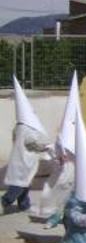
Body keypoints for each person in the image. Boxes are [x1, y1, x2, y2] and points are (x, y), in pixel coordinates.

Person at [3, 77, 51, 213]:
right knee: (19, 184)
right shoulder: (27, 128)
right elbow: (31, 143)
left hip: (20, 158)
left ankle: (24, 204)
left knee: (25, 183)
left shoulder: (18, 127)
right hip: (25, 160)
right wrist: (45, 147)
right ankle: (5, 201)